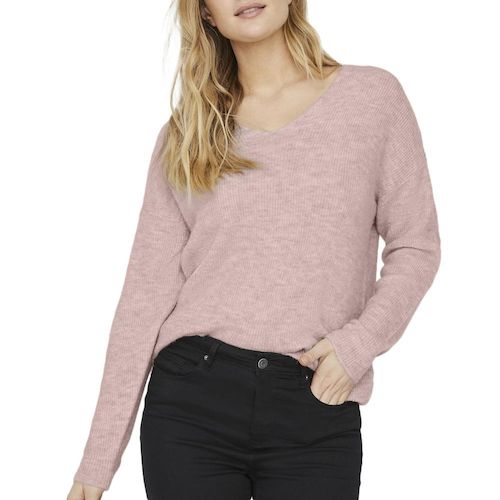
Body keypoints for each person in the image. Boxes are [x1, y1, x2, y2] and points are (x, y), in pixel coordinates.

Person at [67, 1, 441, 499]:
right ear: (205, 13)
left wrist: (357, 346)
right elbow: (144, 299)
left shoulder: (371, 99)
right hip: (191, 404)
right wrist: (96, 464)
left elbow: (416, 245)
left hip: (314, 403)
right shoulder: (187, 136)